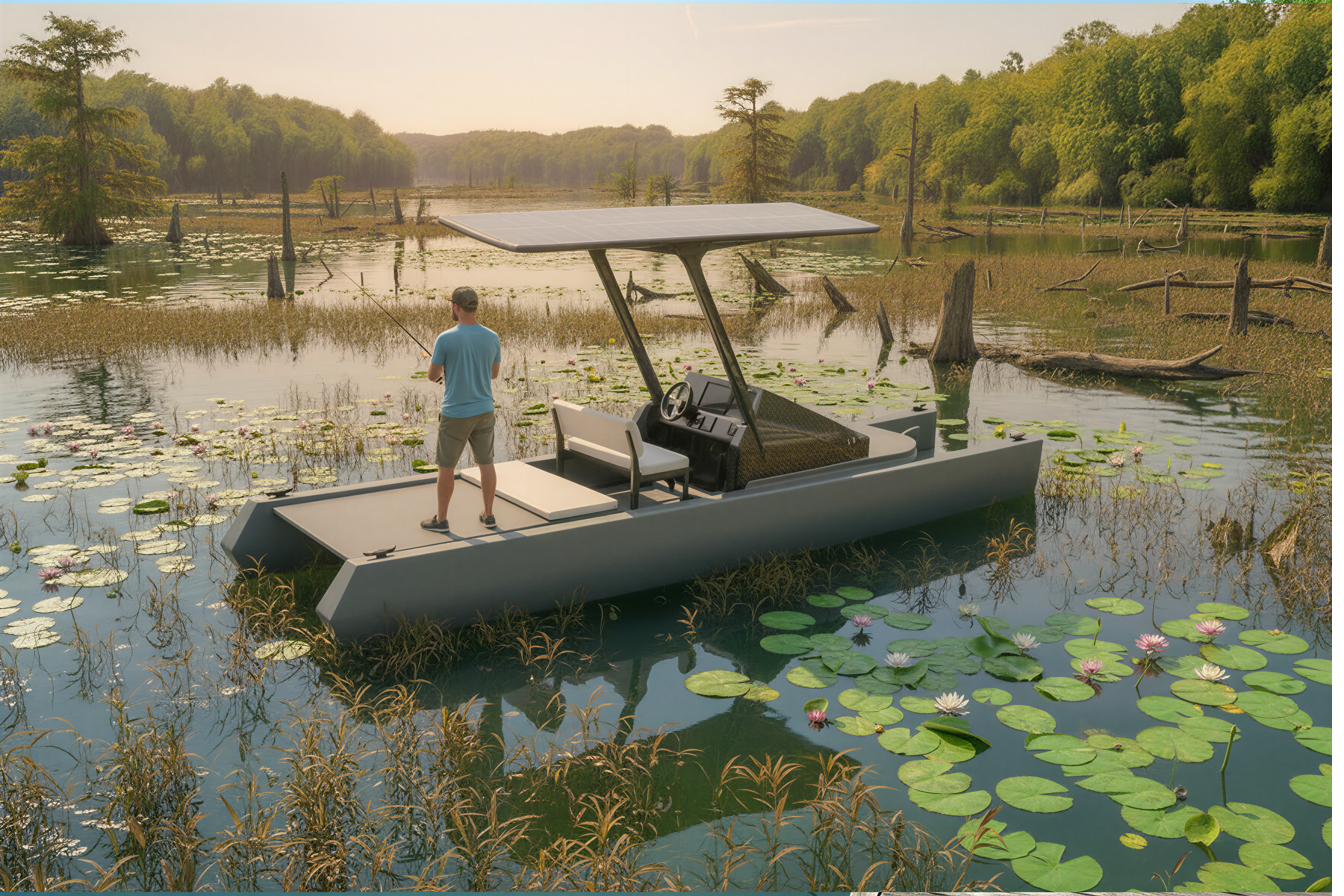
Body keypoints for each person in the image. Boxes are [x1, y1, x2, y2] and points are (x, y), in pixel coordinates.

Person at [421, 286, 501, 532]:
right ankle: (489, 515)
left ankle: (442, 520)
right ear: (474, 307)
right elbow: (493, 374)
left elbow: (432, 375)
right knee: (486, 463)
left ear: (456, 307)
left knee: (446, 467)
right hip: (485, 410)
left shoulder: (445, 339)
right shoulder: (492, 337)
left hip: (455, 413)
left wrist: (445, 370)